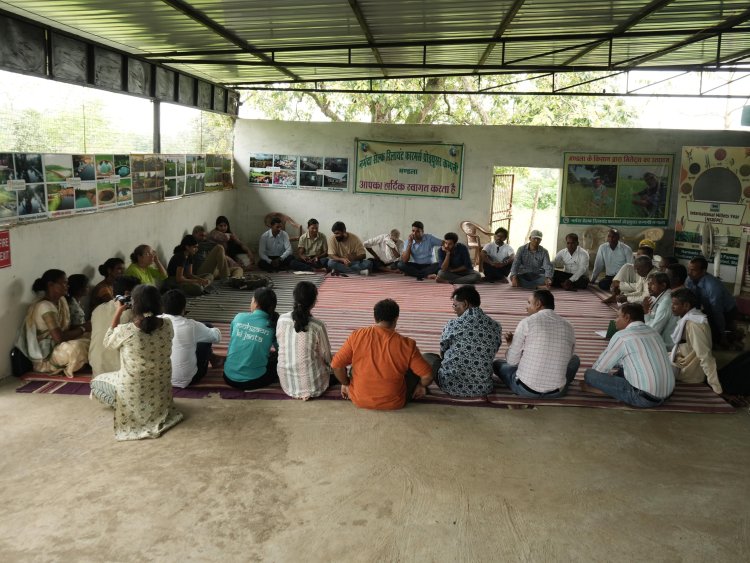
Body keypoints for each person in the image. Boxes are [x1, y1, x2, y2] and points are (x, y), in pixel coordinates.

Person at [89, 285, 183, 441]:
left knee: (95, 384)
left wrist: (118, 311)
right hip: (160, 390)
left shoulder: (126, 330)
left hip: (134, 390)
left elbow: (107, 342)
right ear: (159, 303)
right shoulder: (167, 324)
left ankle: (130, 406)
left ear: (134, 304)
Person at [331, 298, 433, 410]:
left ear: (375, 318)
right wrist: (421, 386)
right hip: (394, 402)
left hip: (359, 399)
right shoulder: (407, 345)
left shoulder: (357, 336)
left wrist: (346, 383)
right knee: (426, 361)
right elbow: (427, 376)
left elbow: (336, 365)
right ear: (396, 318)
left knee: (354, 366)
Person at [582, 303, 674, 408]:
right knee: (624, 366)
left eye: (617, 316)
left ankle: (607, 391)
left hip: (643, 398)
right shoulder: (654, 332)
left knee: (590, 375)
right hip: (667, 394)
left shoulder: (622, 336)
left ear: (627, 317)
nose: (615, 320)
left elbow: (600, 370)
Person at [493, 289, 579, 397]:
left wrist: (511, 345)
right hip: (556, 392)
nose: (526, 307)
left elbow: (512, 361)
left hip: (526, 389)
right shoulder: (569, 326)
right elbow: (567, 358)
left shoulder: (527, 322)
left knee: (497, 364)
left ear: (538, 304)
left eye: (529, 303)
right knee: (575, 360)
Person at [425, 286, 500, 397]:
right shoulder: (495, 326)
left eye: (455, 305)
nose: (454, 309)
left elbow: (443, 352)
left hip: (450, 385)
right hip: (483, 387)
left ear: (465, 304)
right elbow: (493, 350)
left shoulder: (452, 324)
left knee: (427, 357)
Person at [14, 269, 90, 378]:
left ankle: (80, 363)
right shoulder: (44, 306)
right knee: (77, 348)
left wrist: (88, 327)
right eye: (64, 283)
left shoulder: (61, 301)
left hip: (60, 344)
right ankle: (71, 364)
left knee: (93, 336)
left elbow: (67, 328)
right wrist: (83, 328)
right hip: (47, 355)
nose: (67, 286)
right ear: (51, 285)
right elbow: (59, 338)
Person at [276, 281, 333, 400]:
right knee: (339, 366)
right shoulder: (318, 326)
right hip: (314, 386)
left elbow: (279, 343)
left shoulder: (282, 320)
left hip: (287, 383)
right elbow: (326, 355)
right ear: (313, 302)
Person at [162, 289, 223, 388]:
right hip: (189, 379)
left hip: (160, 378)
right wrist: (212, 329)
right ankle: (213, 358)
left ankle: (213, 357)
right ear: (184, 308)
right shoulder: (192, 325)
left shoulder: (155, 322)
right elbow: (217, 337)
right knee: (207, 328)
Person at [223, 288, 280, 389]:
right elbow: (281, 351)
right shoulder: (273, 325)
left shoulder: (239, 317)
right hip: (254, 381)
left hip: (228, 376)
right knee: (277, 360)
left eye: (252, 300)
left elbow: (234, 338)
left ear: (256, 303)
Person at [669, 288, 722, 395]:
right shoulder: (691, 318)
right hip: (683, 360)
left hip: (690, 372)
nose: (672, 307)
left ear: (686, 306)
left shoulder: (694, 324)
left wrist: (716, 387)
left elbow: (705, 355)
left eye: (675, 304)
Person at [685, 256, 740, 348]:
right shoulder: (690, 279)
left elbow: (717, 312)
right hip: (710, 308)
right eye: (689, 269)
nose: (689, 273)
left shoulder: (713, 286)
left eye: (693, 270)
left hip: (727, 311)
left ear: (703, 271)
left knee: (714, 333)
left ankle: (729, 334)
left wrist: (721, 334)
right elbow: (692, 299)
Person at [89, 275, 139, 376]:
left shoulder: (97, 309)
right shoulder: (132, 314)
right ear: (128, 294)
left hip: (97, 369)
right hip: (120, 373)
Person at [643, 272, 677, 351]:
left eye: (652, 284)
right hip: (658, 338)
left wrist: (645, 312)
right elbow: (652, 321)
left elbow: (654, 330)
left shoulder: (666, 301)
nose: (649, 287)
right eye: (648, 284)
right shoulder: (658, 297)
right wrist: (646, 311)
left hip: (666, 345)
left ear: (663, 286)